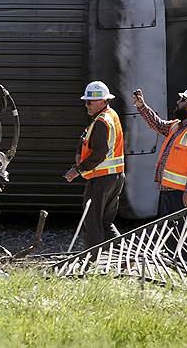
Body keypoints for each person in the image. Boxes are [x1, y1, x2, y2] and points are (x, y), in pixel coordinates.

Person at [64, 81, 125, 249]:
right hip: (115, 177)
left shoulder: (101, 122)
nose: (86, 105)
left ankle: (91, 261)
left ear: (102, 101)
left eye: (89, 101)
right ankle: (125, 257)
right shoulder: (110, 115)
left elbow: (99, 153)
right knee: (104, 222)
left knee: (92, 221)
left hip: (101, 179)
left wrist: (77, 170)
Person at [132, 87, 187, 216]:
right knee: (169, 233)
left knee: (184, 232)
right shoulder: (177, 125)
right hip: (168, 191)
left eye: (182, 100)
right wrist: (142, 106)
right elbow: (157, 124)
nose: (178, 102)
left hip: (182, 194)